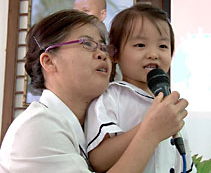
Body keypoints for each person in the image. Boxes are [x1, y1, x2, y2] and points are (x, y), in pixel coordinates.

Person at [0, 9, 187, 173]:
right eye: (87, 44)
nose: (102, 54)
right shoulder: (37, 127)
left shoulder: (81, 127)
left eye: (103, 46)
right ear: (49, 61)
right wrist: (150, 133)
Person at [85, 4, 196, 173]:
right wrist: (152, 126)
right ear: (114, 53)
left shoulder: (171, 106)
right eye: (140, 45)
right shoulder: (111, 96)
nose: (153, 53)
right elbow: (99, 160)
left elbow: (184, 161)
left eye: (163, 46)